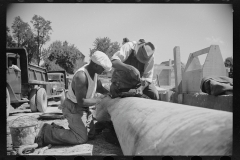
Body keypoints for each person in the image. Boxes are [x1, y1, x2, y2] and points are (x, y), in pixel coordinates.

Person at [35, 51, 112, 147]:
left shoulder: (94, 73)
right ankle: (47, 131)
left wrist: (111, 93)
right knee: (80, 138)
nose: (104, 71)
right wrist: (100, 100)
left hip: (83, 108)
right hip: (73, 107)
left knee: (91, 135)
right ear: (96, 65)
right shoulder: (82, 76)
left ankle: (56, 128)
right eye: (103, 68)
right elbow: (81, 102)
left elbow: (99, 87)